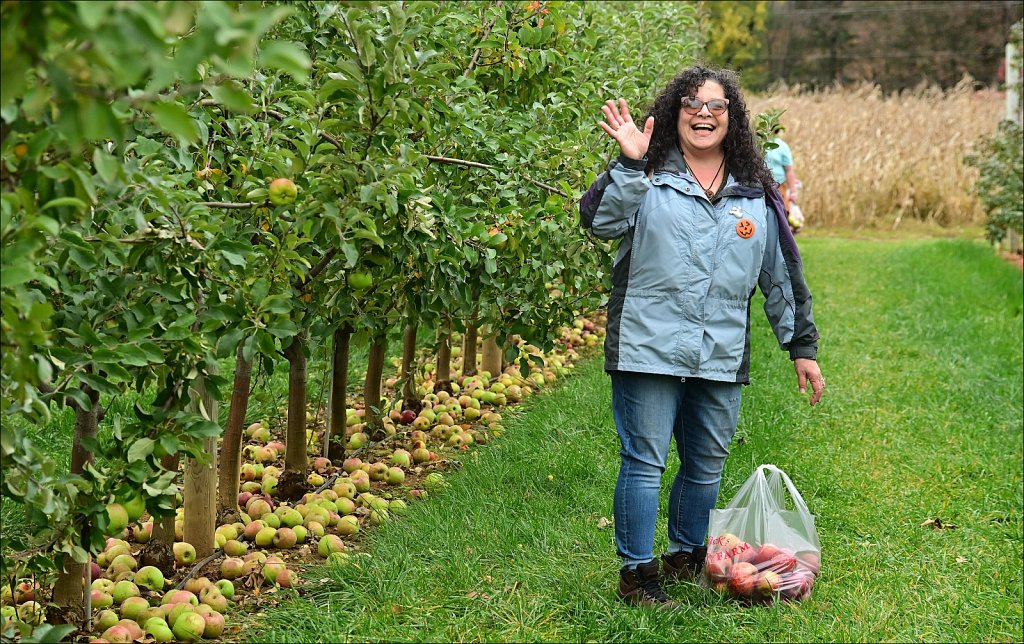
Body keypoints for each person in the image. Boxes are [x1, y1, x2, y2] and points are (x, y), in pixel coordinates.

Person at [579, 65, 825, 607]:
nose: (703, 113)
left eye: (715, 105)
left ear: (732, 118)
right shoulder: (647, 174)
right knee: (644, 461)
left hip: (719, 352)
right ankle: (637, 574)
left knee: (706, 461)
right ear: (675, 114)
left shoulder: (755, 191)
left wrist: (800, 347)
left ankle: (687, 554)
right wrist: (629, 161)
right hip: (648, 345)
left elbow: (781, 274)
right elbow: (597, 221)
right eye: (691, 103)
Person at [763, 122, 803, 233]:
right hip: (760, 188)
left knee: (782, 213)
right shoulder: (757, 144)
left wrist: (793, 192)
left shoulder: (782, 146)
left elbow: (789, 170)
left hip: (779, 187)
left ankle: (785, 240)